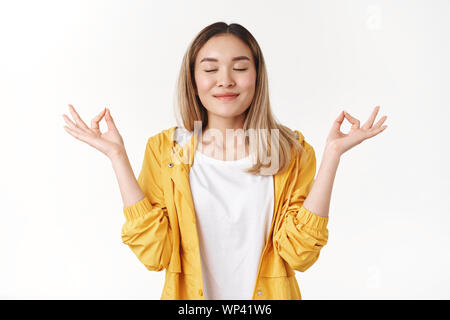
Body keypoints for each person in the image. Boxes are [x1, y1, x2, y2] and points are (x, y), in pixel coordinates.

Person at [62, 22, 388, 300]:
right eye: (210, 68)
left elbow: (298, 254)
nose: (226, 80)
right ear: (193, 79)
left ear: (257, 76)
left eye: (241, 67)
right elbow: (155, 253)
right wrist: (117, 156)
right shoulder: (164, 150)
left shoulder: (292, 151)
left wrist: (332, 156)